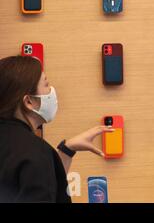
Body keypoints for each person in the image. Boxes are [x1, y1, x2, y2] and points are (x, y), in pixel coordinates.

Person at [0, 55, 114, 203]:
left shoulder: (21, 148)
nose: (52, 91)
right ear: (28, 101)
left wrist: (66, 150)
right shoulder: (35, 152)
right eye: (46, 85)